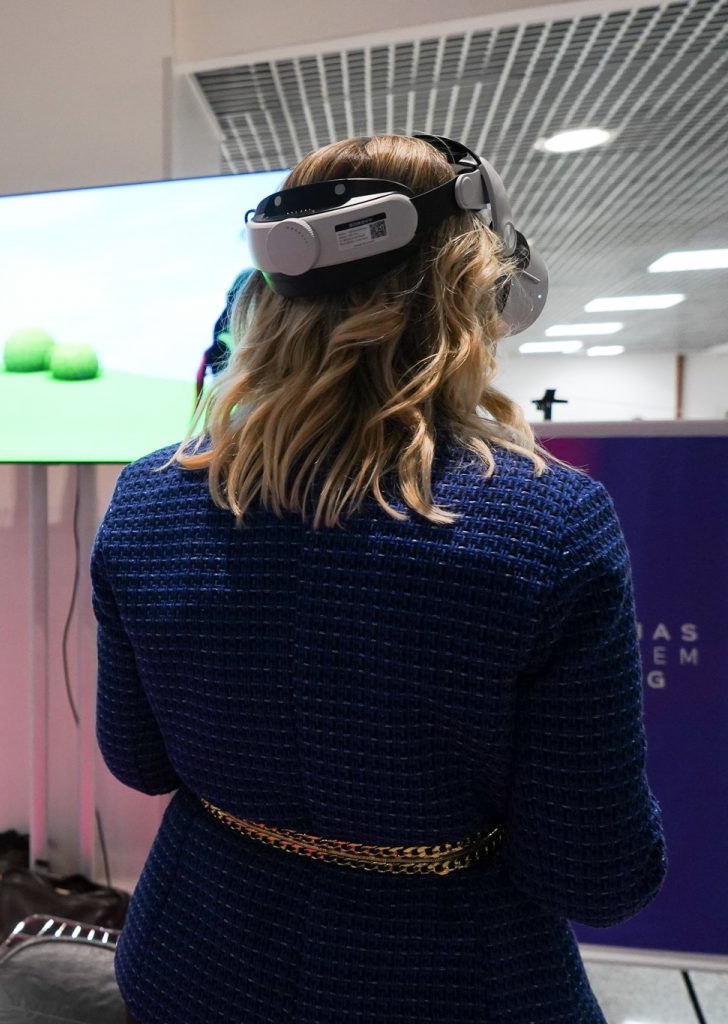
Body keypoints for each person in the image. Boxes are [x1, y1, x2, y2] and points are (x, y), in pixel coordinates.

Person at [92, 135, 665, 1023]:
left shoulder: (147, 496)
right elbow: (596, 874)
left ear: (265, 291)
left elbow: (138, 760)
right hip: (459, 986)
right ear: (479, 287)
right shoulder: (552, 520)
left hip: (188, 966)